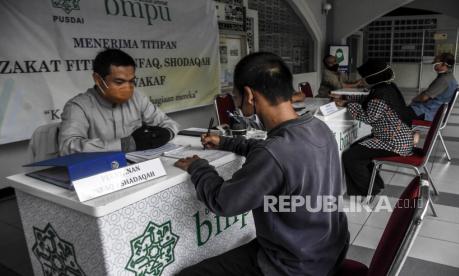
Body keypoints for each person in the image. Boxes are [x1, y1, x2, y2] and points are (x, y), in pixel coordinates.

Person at [174, 52, 349, 276]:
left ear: (248, 95)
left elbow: (224, 202)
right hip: (328, 250)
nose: (236, 103)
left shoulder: (274, 151)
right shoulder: (318, 127)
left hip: (293, 265)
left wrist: (198, 167)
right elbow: (272, 153)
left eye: (235, 96)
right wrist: (227, 142)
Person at [58, 49, 179, 156]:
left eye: (131, 81)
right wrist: (123, 145)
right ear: (98, 80)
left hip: (137, 167)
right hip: (100, 173)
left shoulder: (137, 98)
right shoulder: (78, 106)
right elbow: (68, 147)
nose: (127, 88)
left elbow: (168, 122)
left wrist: (167, 133)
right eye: (119, 82)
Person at [334, 61, 414, 196]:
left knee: (350, 156)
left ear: (372, 77)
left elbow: (369, 117)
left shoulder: (380, 93)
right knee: (357, 147)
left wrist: (348, 104)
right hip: (399, 137)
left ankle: (369, 190)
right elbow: (367, 101)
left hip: (393, 142)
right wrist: (347, 99)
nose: (361, 80)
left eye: (363, 77)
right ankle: (375, 184)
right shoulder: (387, 87)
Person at [408, 53, 458, 121]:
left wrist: (414, 99)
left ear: (444, 64)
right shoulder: (449, 78)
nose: (433, 64)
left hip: (427, 113)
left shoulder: (444, 79)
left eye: (436, 62)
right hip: (432, 111)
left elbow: (424, 97)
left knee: (398, 113)